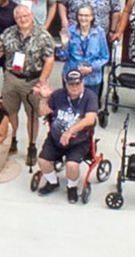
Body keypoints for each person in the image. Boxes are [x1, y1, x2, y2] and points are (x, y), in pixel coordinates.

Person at [0, 5, 56, 167]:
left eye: (25, 16)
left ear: (31, 15)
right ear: (15, 19)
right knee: (10, 113)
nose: (23, 19)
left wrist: (42, 82)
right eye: (19, 17)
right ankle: (12, 141)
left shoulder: (43, 36)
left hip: (33, 81)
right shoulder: (8, 33)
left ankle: (32, 147)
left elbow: (49, 60)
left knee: (32, 116)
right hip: (12, 79)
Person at [32, 70, 99, 203]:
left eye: (77, 84)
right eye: (71, 84)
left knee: (72, 165)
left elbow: (90, 119)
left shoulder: (90, 97)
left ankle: (71, 187)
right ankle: (52, 182)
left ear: (83, 83)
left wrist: (70, 132)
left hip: (79, 141)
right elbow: (42, 112)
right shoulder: (57, 95)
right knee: (42, 161)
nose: (74, 87)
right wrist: (44, 98)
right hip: (56, 138)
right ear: (66, 84)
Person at [60, 3, 110, 95]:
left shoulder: (99, 32)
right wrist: (64, 45)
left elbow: (105, 57)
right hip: (72, 75)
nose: (83, 18)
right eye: (81, 15)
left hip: (92, 77)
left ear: (92, 17)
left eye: (86, 15)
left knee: (90, 106)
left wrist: (91, 68)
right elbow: (63, 57)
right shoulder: (70, 31)